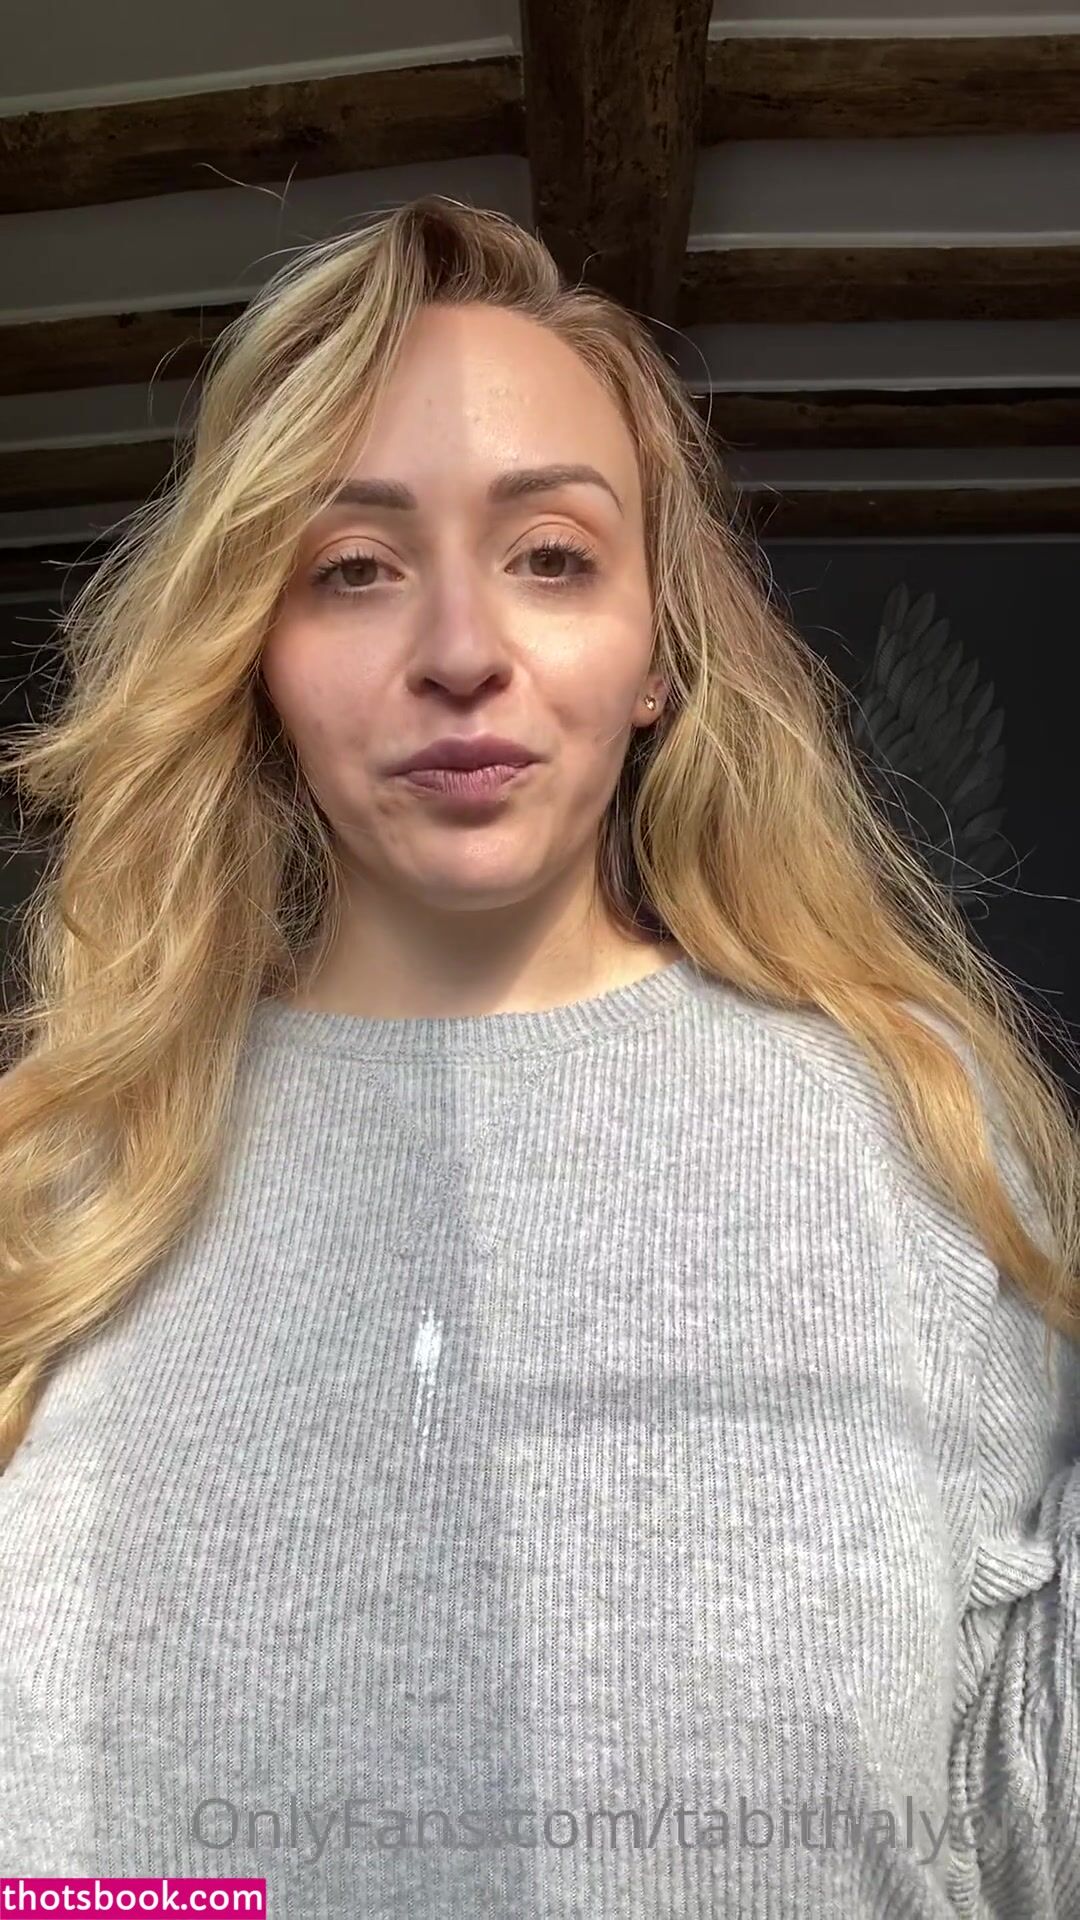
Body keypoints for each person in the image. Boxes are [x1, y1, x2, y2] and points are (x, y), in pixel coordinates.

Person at [0, 194, 1077, 1919]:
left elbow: (1025, 1822)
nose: (460, 654)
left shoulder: (917, 1134)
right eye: (352, 569)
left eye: (554, 556)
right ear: (258, 655)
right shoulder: (55, 1174)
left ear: (657, 651)